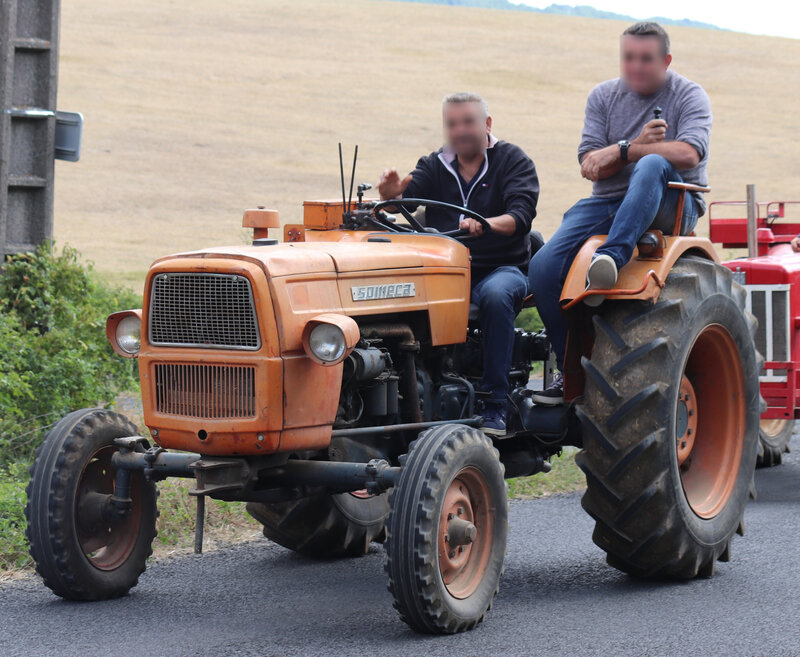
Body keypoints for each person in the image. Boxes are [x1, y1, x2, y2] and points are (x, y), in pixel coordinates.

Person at [528, 21, 712, 406]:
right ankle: (573, 370)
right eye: (629, 58)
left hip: (672, 201)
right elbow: (590, 164)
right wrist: (630, 146)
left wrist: (637, 154)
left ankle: (611, 257)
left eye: (646, 59)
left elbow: (691, 153)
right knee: (543, 267)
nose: (637, 67)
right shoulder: (603, 96)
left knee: (652, 166)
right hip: (609, 202)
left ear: (666, 60)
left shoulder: (689, 95)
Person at [378, 92, 539, 434]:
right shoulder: (435, 164)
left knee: (496, 296)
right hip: (445, 272)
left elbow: (521, 216)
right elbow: (403, 201)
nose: (460, 130)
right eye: (452, 124)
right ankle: (411, 397)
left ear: (487, 124)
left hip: (500, 268)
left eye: (468, 122)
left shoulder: (513, 161)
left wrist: (487, 223)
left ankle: (495, 403)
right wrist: (391, 195)